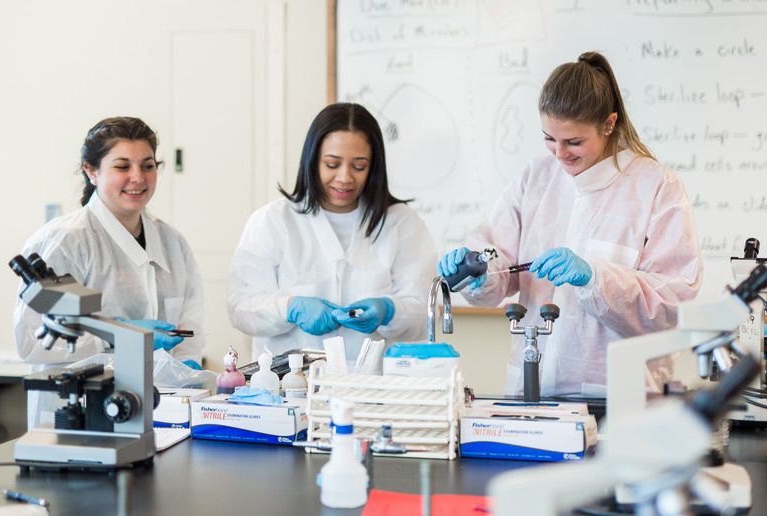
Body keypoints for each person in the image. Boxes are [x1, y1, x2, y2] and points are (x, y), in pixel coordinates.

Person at [437, 52, 703, 397]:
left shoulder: (656, 186)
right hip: (532, 389)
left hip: (618, 395)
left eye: (574, 142)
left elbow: (672, 302)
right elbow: (499, 261)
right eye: (550, 138)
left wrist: (596, 278)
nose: (560, 154)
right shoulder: (536, 178)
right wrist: (478, 267)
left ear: (609, 124)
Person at [14, 116, 205, 427]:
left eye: (147, 165)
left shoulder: (172, 244)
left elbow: (189, 323)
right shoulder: (63, 242)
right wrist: (114, 336)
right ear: (92, 171)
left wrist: (185, 367)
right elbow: (31, 340)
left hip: (160, 410)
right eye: (122, 166)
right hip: (76, 412)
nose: (138, 178)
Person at [228, 103, 436, 361]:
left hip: (376, 388)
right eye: (332, 164)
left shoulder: (402, 223)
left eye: (359, 166)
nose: (345, 177)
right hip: (290, 388)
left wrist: (390, 310)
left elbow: (425, 313)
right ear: (313, 160)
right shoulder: (272, 221)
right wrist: (290, 308)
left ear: (374, 167)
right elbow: (241, 308)